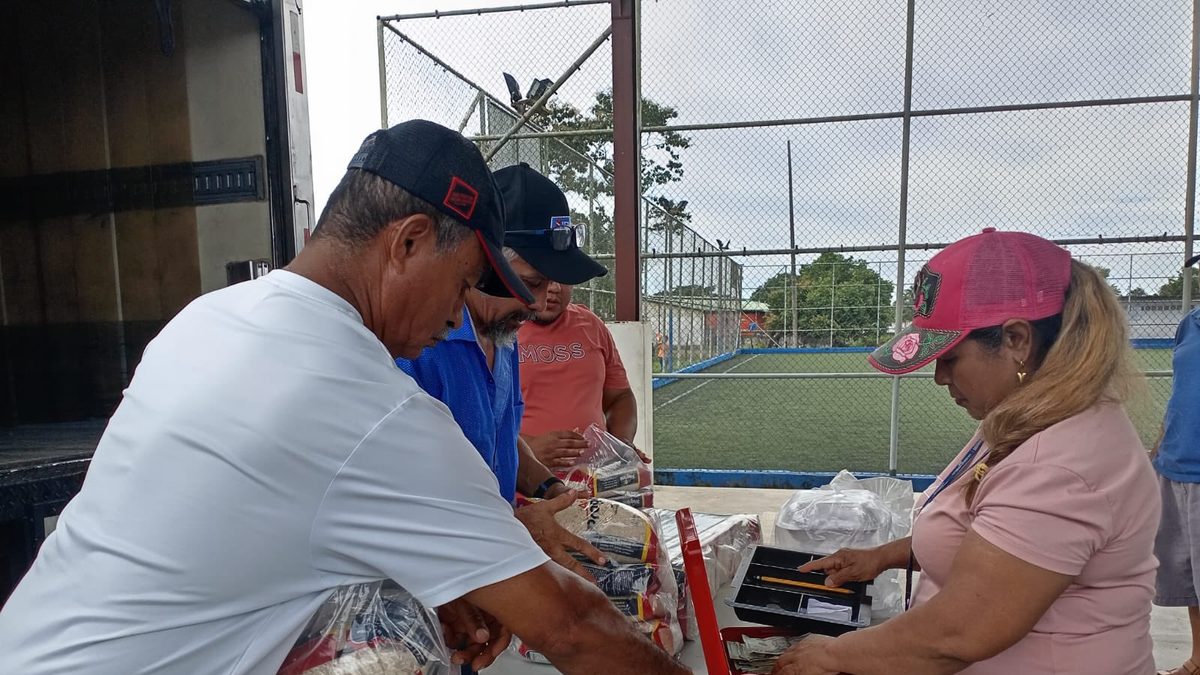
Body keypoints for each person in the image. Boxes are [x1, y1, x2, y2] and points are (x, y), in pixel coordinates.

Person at [0, 121, 688, 675]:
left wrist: (431, 581)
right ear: (409, 242)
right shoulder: (372, 402)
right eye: (464, 280)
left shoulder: (207, 318)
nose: (457, 314)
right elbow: (570, 627)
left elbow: (242, 538)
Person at [772, 228, 1159, 675]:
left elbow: (959, 634)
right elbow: (991, 534)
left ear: (1016, 340)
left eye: (951, 357)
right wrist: (883, 556)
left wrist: (831, 653)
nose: (939, 377)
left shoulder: (1058, 463)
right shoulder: (1026, 416)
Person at [395, 162, 611, 578]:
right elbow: (408, 504)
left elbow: (503, 435)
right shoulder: (419, 350)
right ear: (485, 261)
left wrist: (553, 489)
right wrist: (515, 531)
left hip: (496, 558)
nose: (536, 304)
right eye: (529, 283)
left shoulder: (504, 332)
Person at [518, 279, 645, 469]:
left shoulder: (592, 325)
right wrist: (525, 449)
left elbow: (620, 397)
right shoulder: (499, 331)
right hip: (523, 487)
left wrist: (619, 445)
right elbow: (477, 422)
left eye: (563, 278)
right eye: (542, 277)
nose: (554, 287)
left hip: (595, 482)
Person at [1151, 254, 1200, 675]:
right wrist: (1156, 450)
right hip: (1174, 465)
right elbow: (1180, 394)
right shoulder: (1190, 323)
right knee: (1185, 578)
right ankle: (1198, 660)